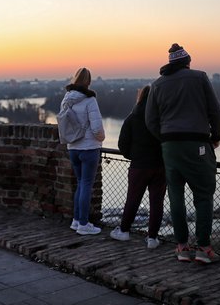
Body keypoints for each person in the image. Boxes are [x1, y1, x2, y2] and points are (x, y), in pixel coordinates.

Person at [145, 43, 220, 264]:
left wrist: (166, 139)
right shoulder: (199, 78)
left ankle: (181, 247)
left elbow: (150, 120)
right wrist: (215, 136)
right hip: (197, 145)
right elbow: (215, 111)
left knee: (175, 196)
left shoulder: (158, 84)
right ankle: (203, 248)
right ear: (187, 62)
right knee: (203, 195)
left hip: (170, 147)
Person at [110, 86, 166, 249]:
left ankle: (124, 231)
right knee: (157, 202)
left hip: (139, 166)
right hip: (160, 166)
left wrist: (133, 157)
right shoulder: (162, 118)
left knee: (133, 198)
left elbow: (122, 145)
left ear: (140, 98)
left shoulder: (132, 118)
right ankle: (152, 238)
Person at [61, 67, 106, 235]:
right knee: (86, 184)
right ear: (88, 82)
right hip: (89, 148)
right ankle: (84, 224)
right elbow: (97, 128)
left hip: (73, 148)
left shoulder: (66, 99)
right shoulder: (90, 100)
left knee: (80, 183)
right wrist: (100, 139)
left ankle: (76, 220)